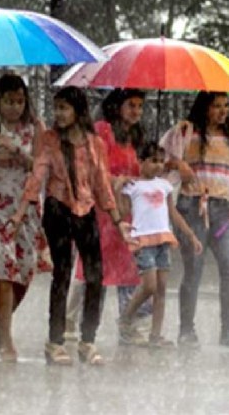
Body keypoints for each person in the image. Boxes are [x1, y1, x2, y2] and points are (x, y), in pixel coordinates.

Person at [10, 86, 128, 366]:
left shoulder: (93, 143)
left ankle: (88, 340)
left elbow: (101, 184)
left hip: (86, 210)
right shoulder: (49, 140)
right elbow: (37, 176)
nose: (59, 114)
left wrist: (117, 220)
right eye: (56, 108)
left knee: (95, 275)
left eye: (64, 108)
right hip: (58, 208)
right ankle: (55, 341)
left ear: (78, 111)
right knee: (62, 274)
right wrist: (20, 213)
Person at [159, 91, 229, 349]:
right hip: (192, 207)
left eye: (226, 106)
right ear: (204, 108)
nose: (222, 112)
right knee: (194, 269)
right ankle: (187, 330)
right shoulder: (185, 131)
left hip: (224, 209)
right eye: (216, 106)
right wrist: (180, 165)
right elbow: (162, 159)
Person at [0, 74, 52, 362]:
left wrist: (20, 153)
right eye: (9, 101)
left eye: (19, 101)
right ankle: (6, 337)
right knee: (5, 268)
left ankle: (0, 319)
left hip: (27, 203)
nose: (14, 107)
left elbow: (41, 166)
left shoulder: (35, 128)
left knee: (26, 267)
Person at [68, 89, 151, 345]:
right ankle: (76, 322)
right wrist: (115, 181)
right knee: (93, 266)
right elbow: (91, 166)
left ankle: (131, 324)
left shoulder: (138, 137)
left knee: (131, 268)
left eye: (140, 106)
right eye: (131, 105)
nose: (136, 111)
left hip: (129, 211)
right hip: (103, 210)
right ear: (117, 106)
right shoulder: (102, 131)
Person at [117, 143, 203, 348]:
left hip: (163, 239)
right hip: (143, 240)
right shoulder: (133, 186)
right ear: (141, 161)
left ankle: (155, 335)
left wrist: (191, 236)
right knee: (149, 286)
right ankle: (126, 317)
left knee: (161, 289)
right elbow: (122, 213)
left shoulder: (165, 186)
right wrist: (117, 188)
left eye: (160, 161)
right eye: (153, 161)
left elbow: (173, 213)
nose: (158, 166)